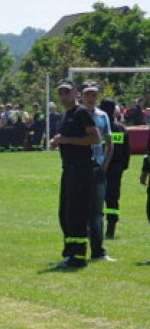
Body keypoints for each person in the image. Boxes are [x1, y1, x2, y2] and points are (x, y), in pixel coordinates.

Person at [49, 80, 100, 270]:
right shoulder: (65, 115)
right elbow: (64, 139)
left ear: (75, 93)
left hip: (82, 170)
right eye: (60, 93)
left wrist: (67, 140)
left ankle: (79, 256)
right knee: (65, 213)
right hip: (68, 169)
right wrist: (56, 142)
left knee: (77, 213)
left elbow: (95, 138)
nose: (63, 96)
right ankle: (70, 251)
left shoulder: (82, 113)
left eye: (67, 92)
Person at [81, 82, 113, 261]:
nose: (91, 98)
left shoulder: (103, 116)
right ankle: (77, 250)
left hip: (98, 167)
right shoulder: (78, 115)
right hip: (81, 168)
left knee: (97, 211)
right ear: (82, 96)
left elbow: (109, 142)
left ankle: (98, 251)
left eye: (94, 95)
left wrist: (105, 164)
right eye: (88, 95)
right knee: (80, 209)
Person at [100, 98, 130, 240]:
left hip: (100, 166)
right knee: (113, 198)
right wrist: (123, 166)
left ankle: (92, 227)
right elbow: (126, 150)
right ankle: (111, 227)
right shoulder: (121, 128)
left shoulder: (99, 127)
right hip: (116, 168)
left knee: (95, 197)